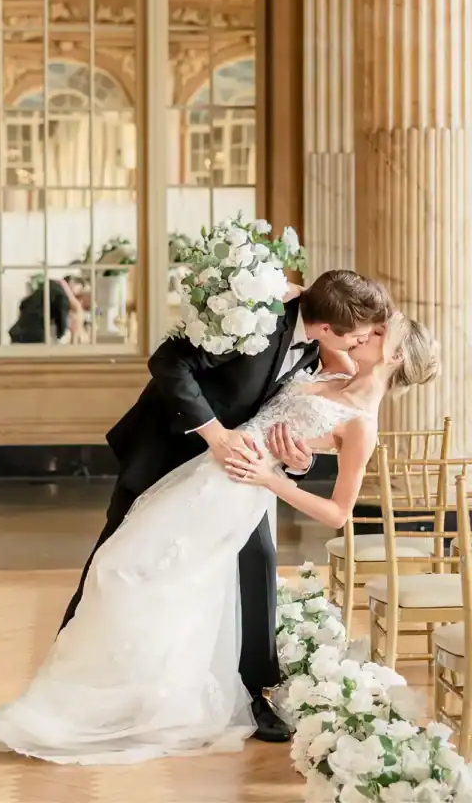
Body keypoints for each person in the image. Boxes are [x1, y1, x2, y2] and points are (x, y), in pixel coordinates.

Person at [0, 310, 438, 765]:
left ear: (394, 356)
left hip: (236, 493)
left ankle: (120, 707)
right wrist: (294, 457)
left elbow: (338, 513)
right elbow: (282, 414)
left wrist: (272, 477)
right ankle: (100, 696)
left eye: (379, 332)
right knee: (122, 569)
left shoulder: (363, 425)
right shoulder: (332, 368)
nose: (364, 333)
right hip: (200, 473)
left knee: (137, 575)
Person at [59, 269, 391, 742]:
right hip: (170, 446)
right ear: (325, 326)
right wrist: (215, 435)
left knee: (256, 562)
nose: (362, 342)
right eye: (359, 334)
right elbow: (168, 363)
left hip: (238, 475)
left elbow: (289, 420)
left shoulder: (323, 349)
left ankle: (256, 692)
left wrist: (295, 462)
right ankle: (73, 663)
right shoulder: (253, 320)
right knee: (119, 555)